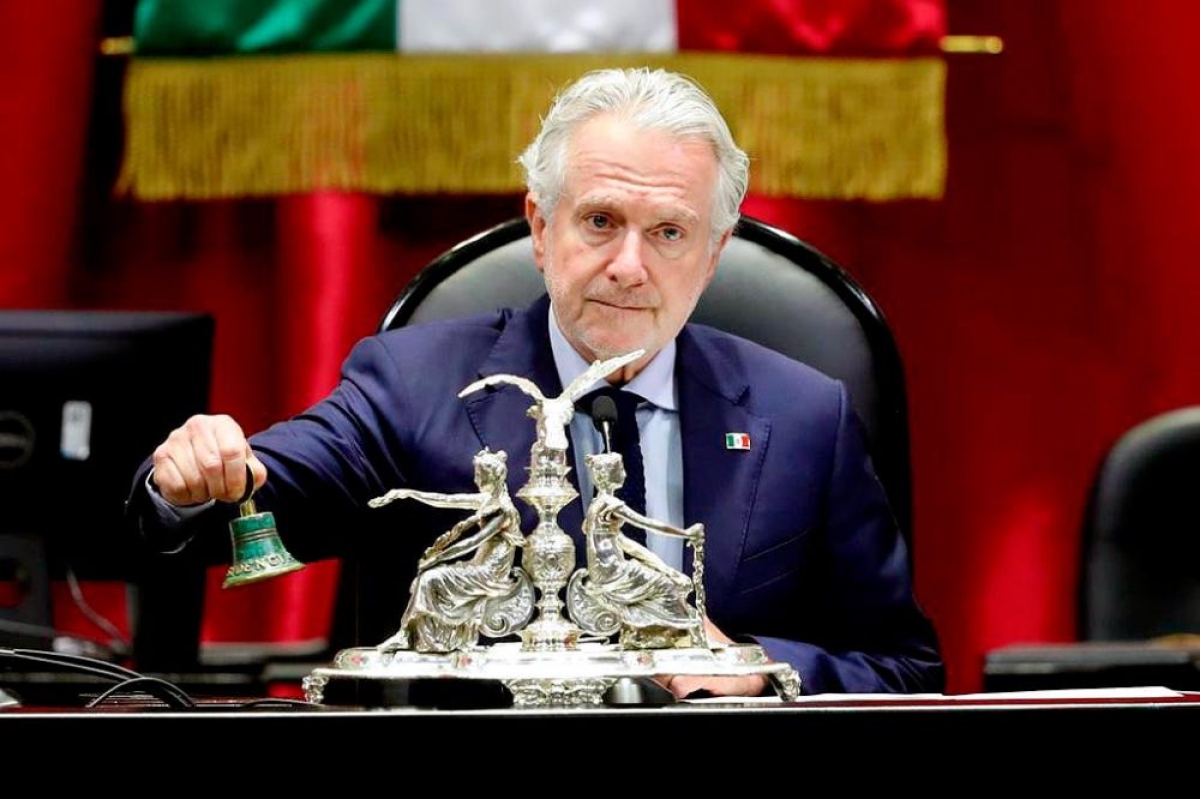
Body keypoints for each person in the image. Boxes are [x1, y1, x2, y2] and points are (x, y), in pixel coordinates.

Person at [126, 66, 944, 698]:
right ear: (541, 228)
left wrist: (759, 671)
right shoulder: (414, 382)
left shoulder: (803, 416)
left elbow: (904, 668)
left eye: (668, 232)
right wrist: (194, 480)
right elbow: (261, 496)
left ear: (713, 253)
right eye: (600, 221)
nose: (629, 266)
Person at [367, 448, 532, 653]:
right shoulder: (487, 500)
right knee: (427, 579)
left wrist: (438, 558)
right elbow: (446, 500)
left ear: (492, 477)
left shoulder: (502, 510)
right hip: (478, 565)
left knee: (430, 578)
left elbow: (473, 542)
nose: (476, 479)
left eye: (479, 475)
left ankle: (407, 634)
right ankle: (426, 638)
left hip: (489, 572)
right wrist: (408, 493)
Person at [567, 451, 706, 651]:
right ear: (609, 474)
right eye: (620, 469)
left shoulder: (595, 506)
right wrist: (685, 533)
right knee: (666, 586)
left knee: (663, 581)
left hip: (604, 569)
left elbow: (625, 544)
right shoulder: (611, 505)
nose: (624, 474)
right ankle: (681, 632)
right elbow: (648, 524)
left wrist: (664, 568)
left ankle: (653, 632)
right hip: (613, 570)